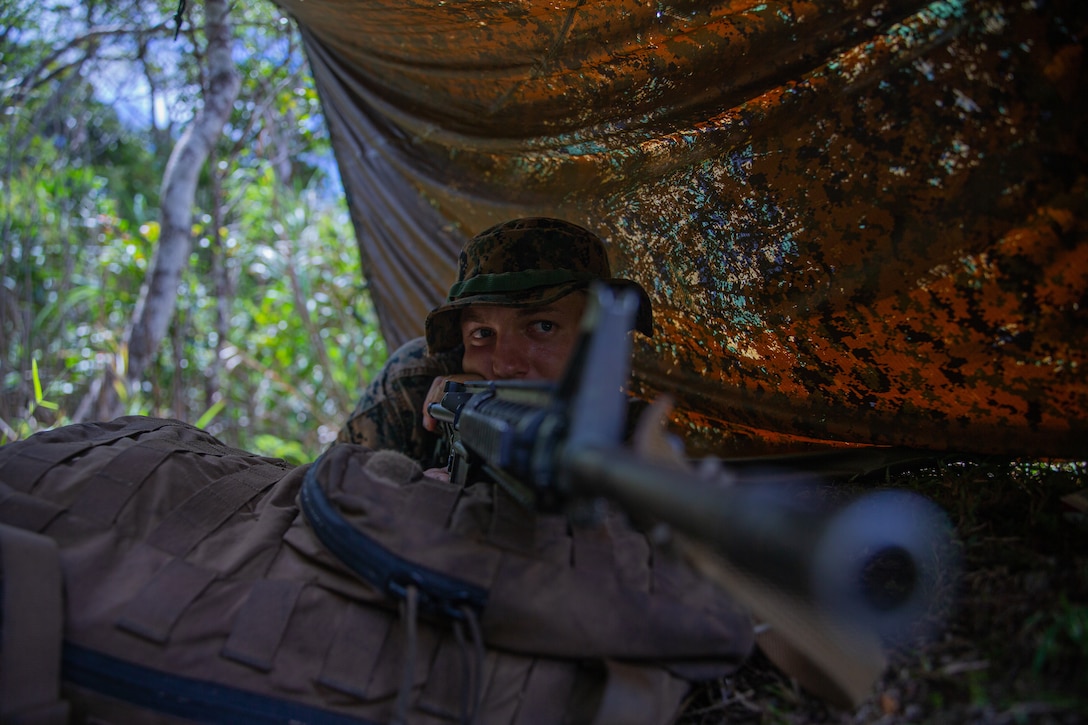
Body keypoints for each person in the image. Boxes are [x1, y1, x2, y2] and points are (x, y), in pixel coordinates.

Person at [335, 217, 654, 469]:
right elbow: (321, 502)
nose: (503, 365)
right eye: (482, 334)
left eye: (542, 326)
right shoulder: (418, 381)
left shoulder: (634, 441)